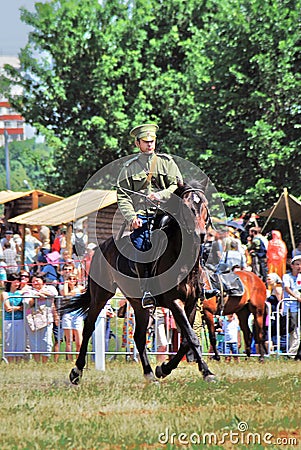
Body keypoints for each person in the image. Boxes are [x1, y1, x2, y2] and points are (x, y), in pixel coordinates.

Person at [117, 123, 183, 308]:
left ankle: (203, 283)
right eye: (145, 142)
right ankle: (147, 290)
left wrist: (160, 195)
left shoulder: (166, 162)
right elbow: (123, 195)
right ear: (137, 143)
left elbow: (177, 184)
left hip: (167, 212)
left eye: (152, 141)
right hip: (142, 215)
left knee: (193, 236)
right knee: (140, 246)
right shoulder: (129, 168)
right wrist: (132, 217)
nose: (150, 145)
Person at [25, 274, 58, 363]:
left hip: (47, 319)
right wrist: (37, 295)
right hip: (32, 319)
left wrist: (39, 294)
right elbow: (27, 303)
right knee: (34, 342)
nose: (35, 283)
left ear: (43, 282)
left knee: (46, 341)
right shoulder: (28, 291)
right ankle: (37, 362)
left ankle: (44, 363)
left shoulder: (50, 288)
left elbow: (54, 294)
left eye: (37, 280)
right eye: (33, 281)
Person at [60, 272, 84, 361]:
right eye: (70, 279)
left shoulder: (80, 288)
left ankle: (79, 358)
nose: (72, 281)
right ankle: (69, 359)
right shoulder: (64, 289)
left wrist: (75, 291)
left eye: (74, 279)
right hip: (68, 315)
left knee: (79, 341)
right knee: (69, 340)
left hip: (77, 315)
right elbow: (66, 295)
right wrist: (66, 284)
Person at [2, 273, 25, 363]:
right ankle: (10, 361)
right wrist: (19, 308)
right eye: (15, 281)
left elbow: (24, 307)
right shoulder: (5, 293)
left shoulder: (20, 293)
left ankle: (18, 362)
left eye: (18, 281)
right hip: (8, 320)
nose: (17, 283)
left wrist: (15, 308)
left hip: (20, 320)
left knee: (19, 341)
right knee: (9, 341)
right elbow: (8, 308)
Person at [282, 255, 301, 355]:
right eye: (297, 264)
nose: (299, 267)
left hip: (298, 306)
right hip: (291, 307)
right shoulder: (287, 276)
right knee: (293, 329)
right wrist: (297, 297)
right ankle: (292, 353)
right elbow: (287, 288)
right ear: (292, 266)